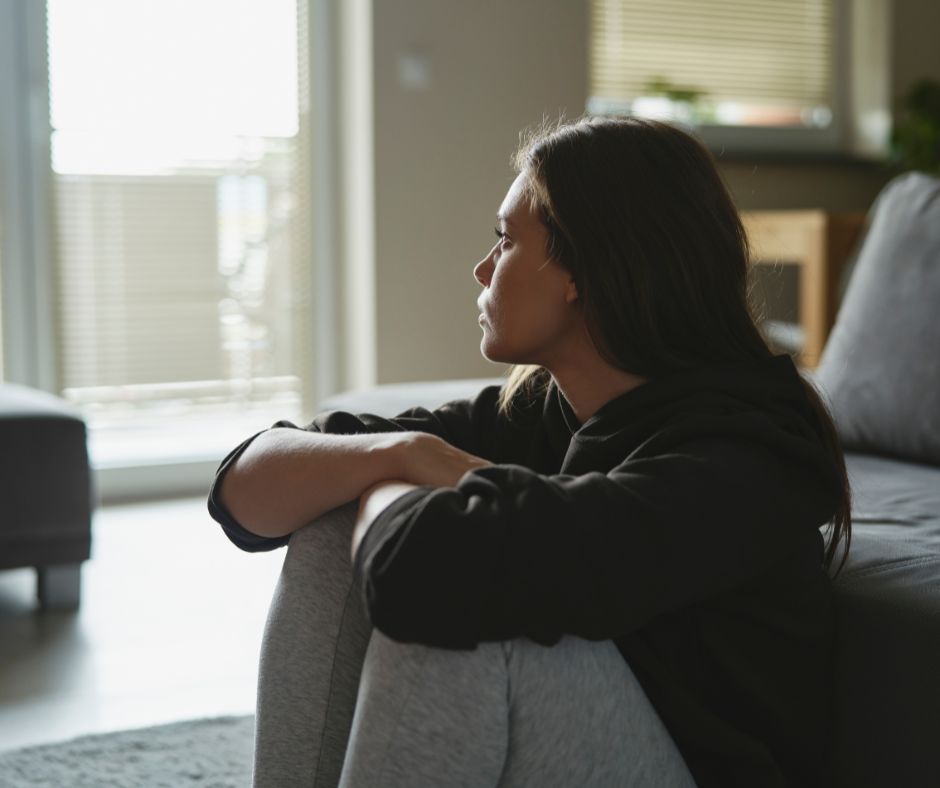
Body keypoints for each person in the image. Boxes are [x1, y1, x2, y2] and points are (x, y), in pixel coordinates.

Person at [208, 116, 851, 788]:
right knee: (331, 520)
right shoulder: (548, 411)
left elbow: (417, 571)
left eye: (507, 241)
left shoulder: (743, 457)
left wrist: (394, 476)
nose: (483, 268)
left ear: (585, 269)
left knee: (462, 622)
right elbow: (244, 492)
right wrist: (404, 451)